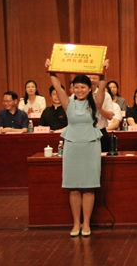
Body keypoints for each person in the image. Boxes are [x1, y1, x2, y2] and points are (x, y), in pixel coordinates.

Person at [46, 59, 108, 237]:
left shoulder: (95, 103)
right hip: (72, 146)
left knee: (89, 186)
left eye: (83, 87)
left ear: (89, 89)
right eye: (76, 87)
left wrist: (104, 70)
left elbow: (102, 86)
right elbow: (56, 85)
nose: (79, 90)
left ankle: (86, 223)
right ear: (72, 88)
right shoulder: (68, 103)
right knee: (73, 187)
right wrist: (51, 69)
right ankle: (76, 223)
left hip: (90, 146)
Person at [87, 75, 115, 152]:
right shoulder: (77, 96)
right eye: (89, 78)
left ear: (99, 80)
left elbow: (110, 116)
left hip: (100, 133)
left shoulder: (106, 95)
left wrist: (99, 107)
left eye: (94, 78)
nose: (92, 80)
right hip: (83, 134)